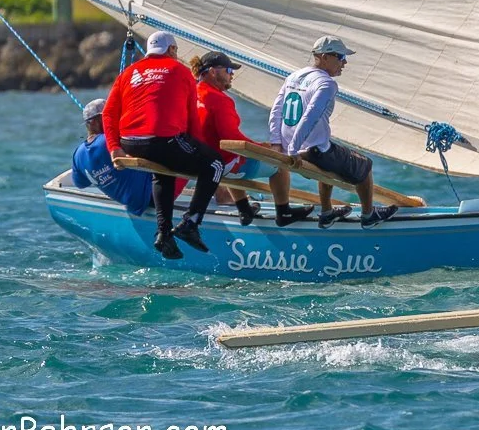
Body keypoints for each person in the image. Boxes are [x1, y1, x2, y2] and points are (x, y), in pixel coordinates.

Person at [103, 31, 225, 259]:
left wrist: (114, 148)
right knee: (215, 164)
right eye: (176, 50)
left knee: (163, 170)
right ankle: (191, 223)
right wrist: (200, 151)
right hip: (162, 140)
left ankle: (163, 234)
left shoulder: (128, 73)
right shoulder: (180, 71)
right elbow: (192, 122)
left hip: (130, 143)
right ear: (170, 50)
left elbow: (108, 113)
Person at [268, 35, 397, 228]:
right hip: (310, 152)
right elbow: (309, 116)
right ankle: (369, 215)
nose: (344, 63)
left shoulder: (294, 76)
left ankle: (327, 212)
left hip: (295, 148)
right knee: (365, 165)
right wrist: (294, 150)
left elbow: (276, 111)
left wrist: (277, 143)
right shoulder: (326, 84)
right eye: (341, 57)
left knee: (332, 153)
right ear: (324, 56)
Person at [190, 51, 313, 227]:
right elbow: (231, 138)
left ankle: (244, 209)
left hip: (200, 162)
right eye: (228, 71)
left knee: (235, 157)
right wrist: (262, 148)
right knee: (279, 163)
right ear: (212, 72)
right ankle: (284, 212)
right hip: (220, 165)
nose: (232, 75)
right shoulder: (219, 99)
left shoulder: (192, 93)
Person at [71, 98, 154, 216]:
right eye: (108, 116)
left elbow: (80, 184)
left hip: (132, 205)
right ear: (94, 122)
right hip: (151, 196)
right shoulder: (111, 141)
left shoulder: (77, 155)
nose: (114, 119)